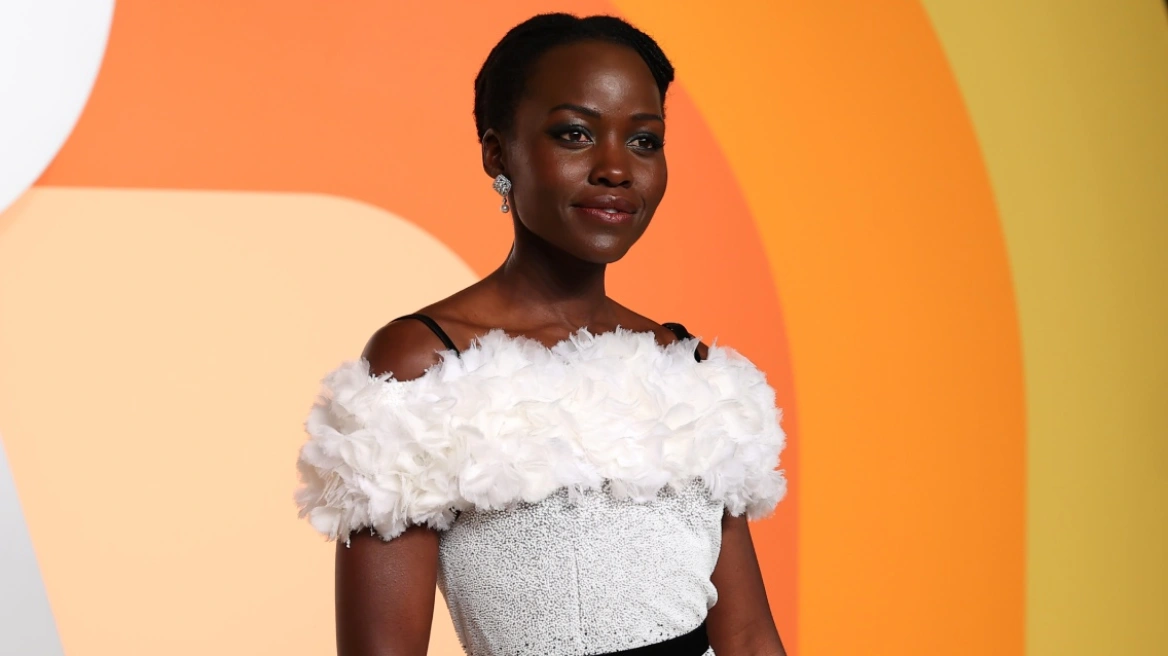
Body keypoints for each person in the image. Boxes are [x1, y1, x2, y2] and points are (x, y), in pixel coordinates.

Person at [295, 13, 788, 656]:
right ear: (497, 153)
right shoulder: (425, 366)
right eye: (575, 134)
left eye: (644, 140)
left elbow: (749, 637)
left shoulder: (688, 371)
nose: (616, 168)